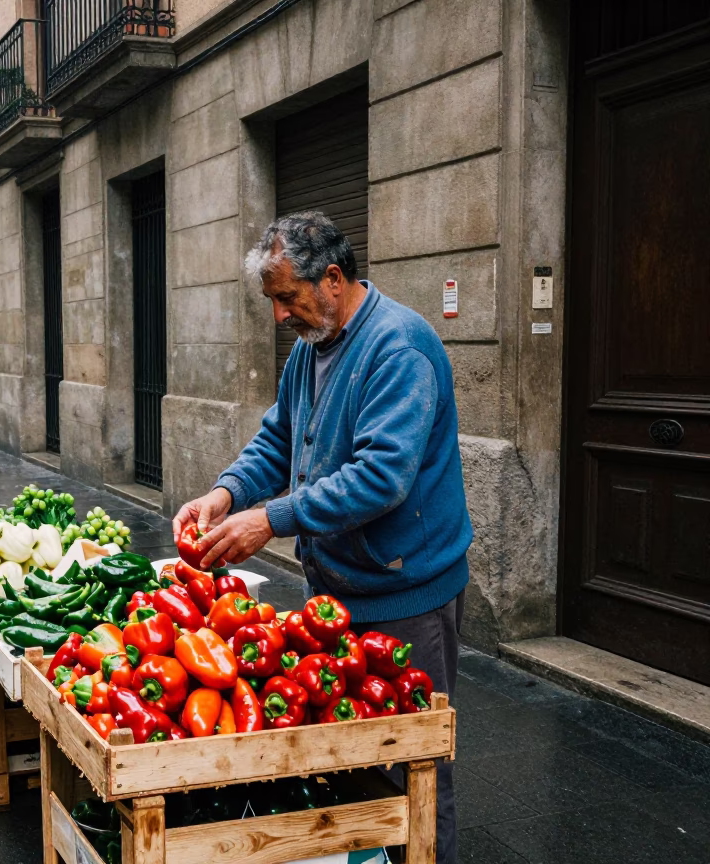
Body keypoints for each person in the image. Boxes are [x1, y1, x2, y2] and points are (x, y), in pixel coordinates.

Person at [172, 212, 472, 864]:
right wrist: (227, 493)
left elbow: (380, 479)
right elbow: (279, 438)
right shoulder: (313, 349)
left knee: (413, 767)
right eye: (273, 301)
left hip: (406, 594)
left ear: (332, 279)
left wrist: (269, 519)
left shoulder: (400, 349)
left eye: (288, 298)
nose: (281, 316)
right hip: (337, 590)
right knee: (353, 758)